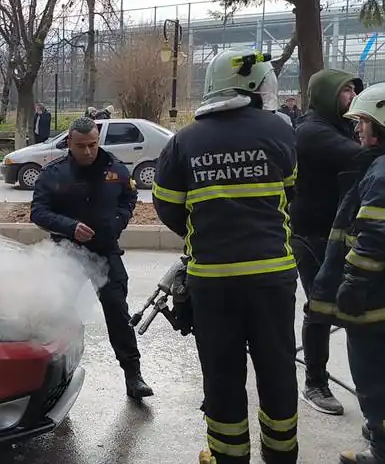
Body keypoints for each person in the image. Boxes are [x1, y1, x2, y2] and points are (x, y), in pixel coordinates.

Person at [152, 49, 299, 464]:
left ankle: (228, 456)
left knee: (222, 374)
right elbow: (291, 192)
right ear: (255, 86)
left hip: (213, 281)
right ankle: (282, 455)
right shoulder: (281, 131)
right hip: (273, 277)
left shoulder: (184, 140)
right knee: (277, 369)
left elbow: (166, 204)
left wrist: (202, 234)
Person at [30, 117, 154, 400]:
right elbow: (38, 212)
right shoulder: (54, 173)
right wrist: (69, 227)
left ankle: (133, 375)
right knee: (57, 314)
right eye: (81, 146)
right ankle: (54, 380)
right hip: (67, 254)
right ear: (69, 144)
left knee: (117, 312)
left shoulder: (115, 168)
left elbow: (129, 198)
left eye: (93, 145)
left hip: (105, 251)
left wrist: (118, 221)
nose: (88, 151)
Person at [308, 82, 385, 464]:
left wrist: (353, 283)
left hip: (372, 301)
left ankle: (380, 449)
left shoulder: (380, 174)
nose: (357, 130)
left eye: (364, 122)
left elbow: (371, 237)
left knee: (372, 378)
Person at [290, 68, 363, 416]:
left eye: (354, 90)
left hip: (341, 234)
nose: (352, 96)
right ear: (326, 95)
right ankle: (315, 382)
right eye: (346, 91)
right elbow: (358, 156)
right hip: (311, 235)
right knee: (321, 307)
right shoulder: (311, 131)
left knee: (349, 307)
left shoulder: (342, 127)